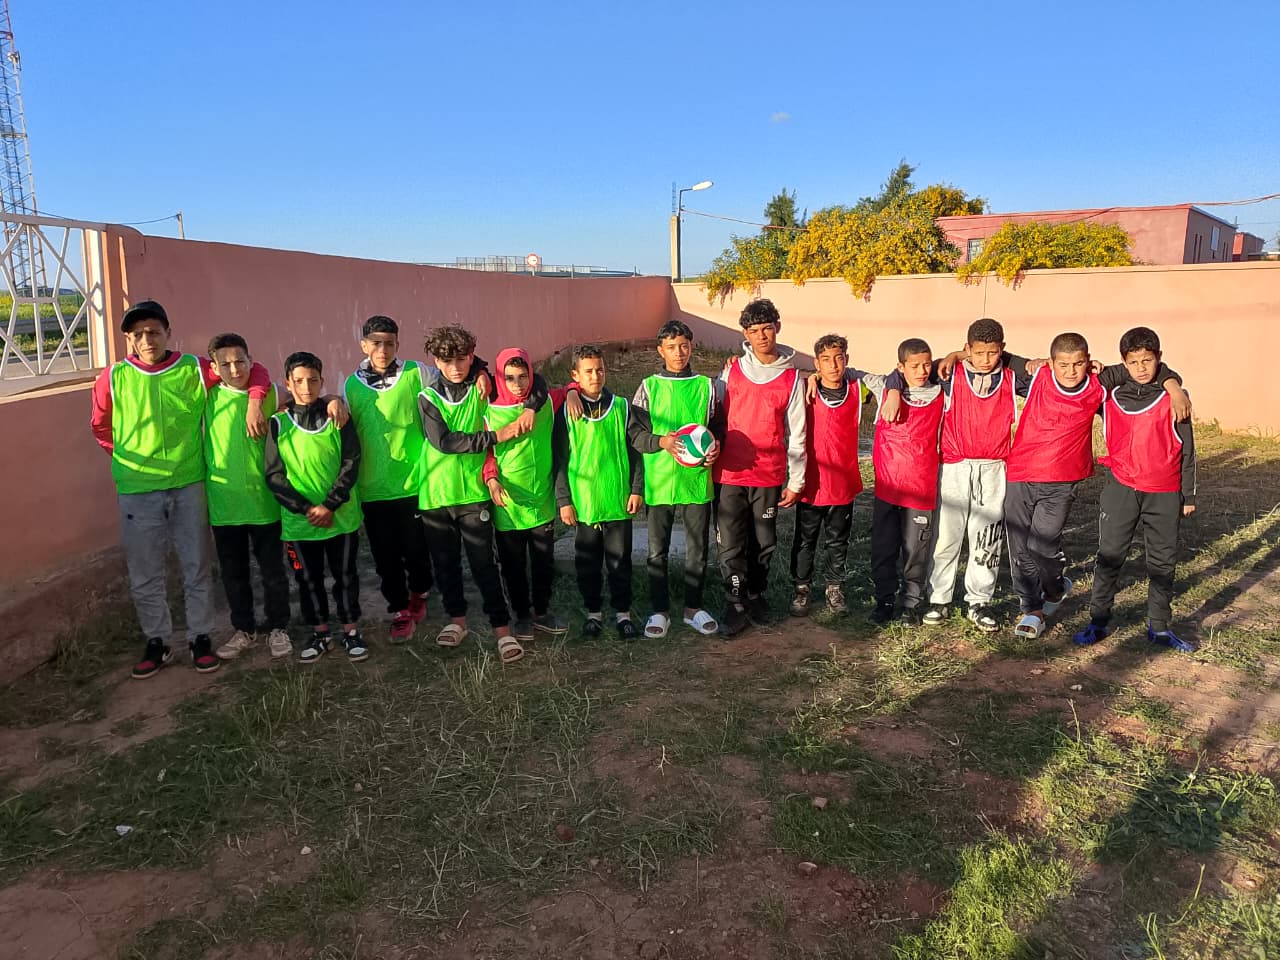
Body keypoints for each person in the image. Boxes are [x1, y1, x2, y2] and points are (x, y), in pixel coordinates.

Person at [91, 299, 272, 679]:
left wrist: (256, 402)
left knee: (196, 566)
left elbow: (250, 369)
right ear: (129, 339)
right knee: (145, 572)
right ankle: (157, 641)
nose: (147, 339)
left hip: (189, 485)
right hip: (137, 489)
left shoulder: (194, 368)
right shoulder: (113, 377)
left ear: (168, 333)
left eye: (153, 332)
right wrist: (127, 459)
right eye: (138, 334)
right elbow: (101, 426)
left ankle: (199, 638)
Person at [1074, 327, 1198, 652]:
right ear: (1124, 362)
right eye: (1133, 362)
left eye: (1148, 360)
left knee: (1163, 561)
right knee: (1110, 555)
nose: (1141, 368)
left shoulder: (1176, 400)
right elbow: (1082, 382)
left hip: (1164, 491)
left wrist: (1188, 494)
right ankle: (1098, 621)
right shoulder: (1110, 396)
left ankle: (1159, 627)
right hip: (1121, 488)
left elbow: (1187, 450)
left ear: (1159, 358)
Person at [418, 325, 528, 662]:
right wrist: (495, 436)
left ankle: (502, 630)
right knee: (446, 564)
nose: (455, 367)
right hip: (436, 493)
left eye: (463, 359)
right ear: (436, 362)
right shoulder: (428, 397)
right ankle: (457, 621)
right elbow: (444, 441)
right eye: (447, 361)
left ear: (471, 356)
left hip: (474, 492)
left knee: (484, 564)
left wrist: (481, 369)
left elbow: (529, 382)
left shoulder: (484, 386)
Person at [553, 344, 662, 641]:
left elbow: (635, 452)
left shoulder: (622, 407)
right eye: (588, 371)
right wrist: (564, 501)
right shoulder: (566, 412)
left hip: (617, 500)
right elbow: (560, 459)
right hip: (585, 502)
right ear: (575, 375)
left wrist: (636, 489)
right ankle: (593, 614)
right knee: (587, 562)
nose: (595, 376)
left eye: (600, 369)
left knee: (619, 560)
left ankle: (623, 614)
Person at [713, 299, 807, 637]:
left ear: (777, 327)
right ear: (745, 334)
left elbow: (797, 432)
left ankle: (755, 595)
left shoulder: (791, 378)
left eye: (767, 328)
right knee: (731, 542)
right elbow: (713, 413)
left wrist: (796, 480)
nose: (762, 336)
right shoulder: (732, 370)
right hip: (729, 473)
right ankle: (735, 601)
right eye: (754, 331)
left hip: (768, 474)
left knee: (764, 541)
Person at [265, 351, 366, 663]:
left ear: (322, 381)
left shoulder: (338, 417)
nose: (306, 387)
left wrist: (330, 504)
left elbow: (351, 461)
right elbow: (274, 475)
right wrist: (307, 508)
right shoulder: (278, 423)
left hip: (340, 517)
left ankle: (351, 631)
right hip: (300, 523)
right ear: (288, 383)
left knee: (345, 575)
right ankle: (321, 633)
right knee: (308, 579)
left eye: (312, 380)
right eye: (298, 381)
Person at [1002, 333, 1105, 638]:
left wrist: (1174, 388)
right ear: (1050, 363)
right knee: (1020, 547)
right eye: (1063, 365)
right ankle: (1032, 610)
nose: (1071, 371)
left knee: (1042, 546)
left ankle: (1056, 587)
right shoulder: (1036, 377)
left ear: (1089, 362)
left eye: (1078, 364)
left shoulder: (1098, 385)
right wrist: (955, 356)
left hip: (1061, 482)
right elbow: (993, 355)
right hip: (1021, 474)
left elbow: (1143, 370)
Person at [344, 315, 434, 644]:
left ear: (398, 344)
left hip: (413, 483)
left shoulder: (417, 373)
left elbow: (455, 376)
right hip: (372, 488)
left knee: (417, 550)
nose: (383, 350)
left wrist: (480, 373)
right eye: (376, 343)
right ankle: (399, 610)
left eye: (390, 343)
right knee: (385, 556)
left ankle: (420, 592)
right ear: (364, 345)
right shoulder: (350, 386)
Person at [203, 333, 292, 661]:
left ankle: (278, 627)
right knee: (233, 573)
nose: (234, 369)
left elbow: (302, 399)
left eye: (240, 361)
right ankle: (244, 629)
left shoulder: (270, 394)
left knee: (273, 571)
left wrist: (332, 400)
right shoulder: (206, 397)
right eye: (225, 364)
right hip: (224, 503)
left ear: (251, 362)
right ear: (214, 368)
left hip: (265, 501)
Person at [632, 320, 721, 638]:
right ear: (661, 350)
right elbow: (635, 434)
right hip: (660, 482)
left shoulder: (706, 386)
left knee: (698, 547)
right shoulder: (648, 387)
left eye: (684, 346)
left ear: (691, 347)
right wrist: (661, 442)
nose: (679, 352)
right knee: (657, 550)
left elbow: (718, 428)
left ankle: (693, 609)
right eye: (671, 347)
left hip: (696, 480)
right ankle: (660, 611)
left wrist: (716, 447)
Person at [483, 347, 570, 643]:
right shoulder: (488, 409)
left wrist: (571, 393)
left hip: (541, 499)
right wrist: (491, 479)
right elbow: (485, 452)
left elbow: (570, 389)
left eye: (523, 377)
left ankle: (541, 613)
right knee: (513, 564)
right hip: (507, 501)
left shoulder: (545, 402)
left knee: (544, 561)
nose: (517, 384)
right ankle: (521, 615)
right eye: (509, 378)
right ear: (499, 377)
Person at [868, 339, 945, 624]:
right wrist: (892, 389)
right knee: (884, 548)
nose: (922, 371)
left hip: (921, 489)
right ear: (900, 367)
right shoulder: (884, 388)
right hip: (888, 489)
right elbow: (848, 373)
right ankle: (885, 600)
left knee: (916, 551)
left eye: (926, 364)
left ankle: (911, 602)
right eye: (914, 366)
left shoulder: (943, 392)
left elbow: (960, 360)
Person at [790, 334, 864, 618]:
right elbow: (781, 378)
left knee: (838, 541)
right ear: (816, 363)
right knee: (805, 540)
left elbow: (895, 379)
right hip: (812, 482)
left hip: (842, 483)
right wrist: (808, 377)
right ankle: (801, 589)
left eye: (838, 358)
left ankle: (834, 588)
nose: (833, 365)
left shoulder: (858, 389)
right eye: (826, 360)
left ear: (847, 360)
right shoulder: (804, 391)